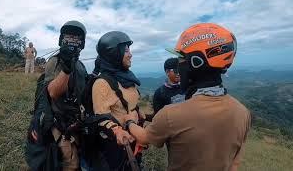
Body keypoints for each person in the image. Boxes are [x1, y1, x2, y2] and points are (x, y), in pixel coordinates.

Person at [123, 23, 251, 171]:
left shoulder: (171, 114)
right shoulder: (243, 112)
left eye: (181, 60)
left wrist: (129, 121)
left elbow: (144, 137)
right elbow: (235, 163)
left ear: (196, 62)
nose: (179, 66)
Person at [92, 31, 145, 170]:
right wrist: (117, 131)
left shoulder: (126, 77)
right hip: (117, 146)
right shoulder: (102, 83)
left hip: (134, 138)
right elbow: (101, 118)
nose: (130, 54)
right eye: (126, 50)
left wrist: (138, 113)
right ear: (114, 54)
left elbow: (129, 104)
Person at [44, 20, 87, 170]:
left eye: (77, 37)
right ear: (61, 39)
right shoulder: (54, 62)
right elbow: (53, 93)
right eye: (69, 36)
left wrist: (95, 74)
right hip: (62, 125)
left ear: (82, 43)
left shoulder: (80, 65)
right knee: (70, 163)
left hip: (79, 124)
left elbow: (84, 91)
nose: (72, 40)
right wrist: (66, 69)